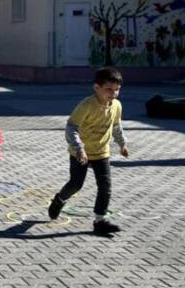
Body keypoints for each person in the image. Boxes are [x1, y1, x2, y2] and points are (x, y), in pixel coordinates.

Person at [47, 67, 129, 237]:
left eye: (117, 90)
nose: (113, 94)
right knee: (76, 184)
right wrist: (79, 148)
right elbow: (71, 127)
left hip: (101, 153)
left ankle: (100, 221)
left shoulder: (116, 106)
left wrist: (122, 144)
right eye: (109, 89)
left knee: (105, 187)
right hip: (81, 153)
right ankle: (59, 200)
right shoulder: (87, 105)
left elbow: (116, 126)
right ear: (96, 87)